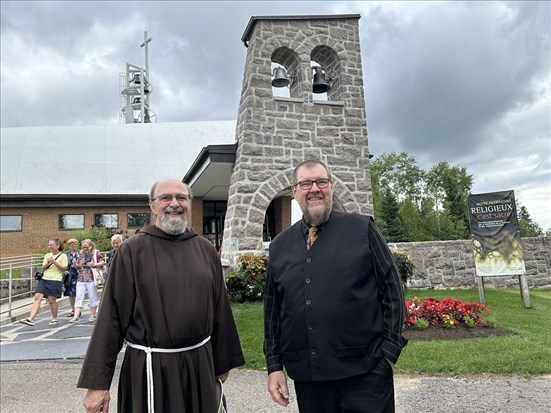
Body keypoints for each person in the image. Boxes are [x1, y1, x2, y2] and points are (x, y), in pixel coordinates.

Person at [78, 178, 245, 413]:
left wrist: (222, 361)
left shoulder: (205, 249)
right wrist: (97, 384)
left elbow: (220, 310)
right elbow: (111, 316)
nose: (174, 203)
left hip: (199, 365)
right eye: (165, 198)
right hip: (149, 369)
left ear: (190, 203)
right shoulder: (131, 251)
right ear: (152, 205)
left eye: (181, 198)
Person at [264, 160, 408, 413]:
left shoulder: (362, 229)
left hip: (366, 373)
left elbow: (392, 290)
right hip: (310, 379)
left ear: (331, 187)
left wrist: (389, 353)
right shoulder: (279, 246)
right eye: (306, 183)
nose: (314, 189)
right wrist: (274, 365)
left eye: (321, 182)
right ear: (294, 190)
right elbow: (273, 311)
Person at [19, 238, 68, 327]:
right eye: (49, 245)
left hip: (55, 279)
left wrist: (54, 262)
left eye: (51, 245)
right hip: (44, 278)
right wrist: (47, 263)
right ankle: (31, 318)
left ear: (58, 246)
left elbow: (64, 269)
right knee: (37, 297)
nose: (50, 246)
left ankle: (54, 318)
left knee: (51, 300)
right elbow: (43, 268)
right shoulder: (47, 255)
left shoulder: (63, 256)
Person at [69, 239, 104, 323]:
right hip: (81, 278)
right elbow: (79, 266)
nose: (85, 249)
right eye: (83, 247)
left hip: (91, 278)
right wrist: (75, 264)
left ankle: (93, 314)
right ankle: (76, 316)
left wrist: (94, 264)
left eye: (86, 247)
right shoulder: (80, 254)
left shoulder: (96, 253)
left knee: (92, 296)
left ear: (91, 246)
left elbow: (102, 262)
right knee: (79, 296)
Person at [63, 238, 80, 317]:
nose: (73, 246)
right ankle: (73, 310)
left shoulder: (81, 253)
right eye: (71, 245)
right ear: (69, 246)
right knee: (70, 294)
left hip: (79, 275)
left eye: (75, 244)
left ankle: (77, 310)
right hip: (69, 276)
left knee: (77, 293)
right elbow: (63, 265)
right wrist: (64, 271)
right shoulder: (66, 254)